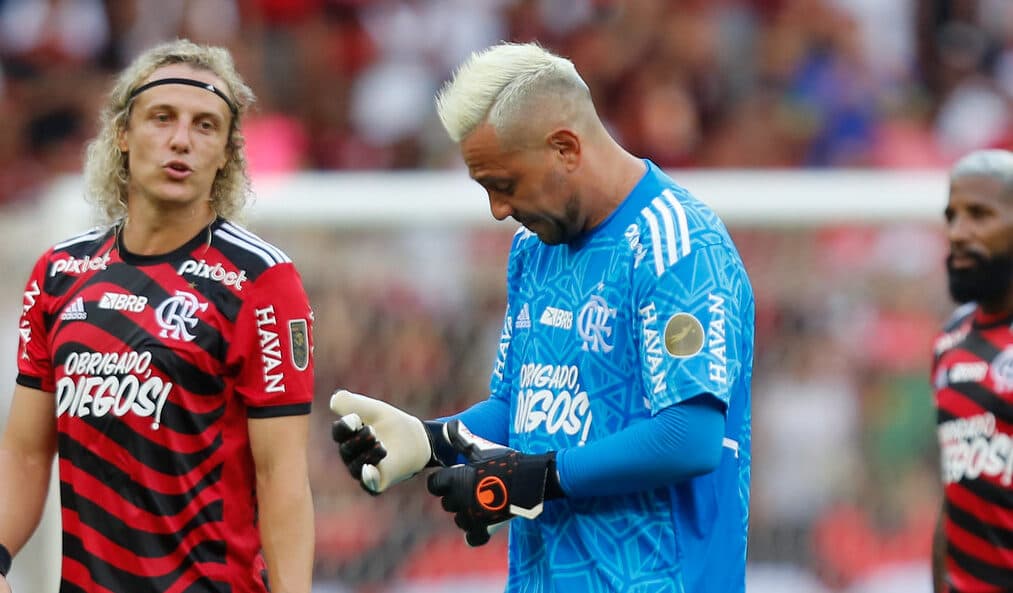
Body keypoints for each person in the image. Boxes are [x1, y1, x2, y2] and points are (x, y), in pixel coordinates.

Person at [331, 42, 754, 593]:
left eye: (504, 185)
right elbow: (522, 409)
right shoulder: (534, 249)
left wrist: (537, 478)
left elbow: (690, 436)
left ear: (564, 147)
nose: (498, 209)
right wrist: (429, 440)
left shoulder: (676, 244)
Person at [0, 39, 315, 593]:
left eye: (205, 126)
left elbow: (282, 477)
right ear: (122, 134)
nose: (180, 141)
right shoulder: (59, 273)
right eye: (161, 118)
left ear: (226, 154)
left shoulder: (261, 282)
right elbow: (25, 452)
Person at [932, 148, 1013, 593]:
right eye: (953, 217)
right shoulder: (950, 341)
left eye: (980, 215)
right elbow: (955, 498)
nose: (959, 233)